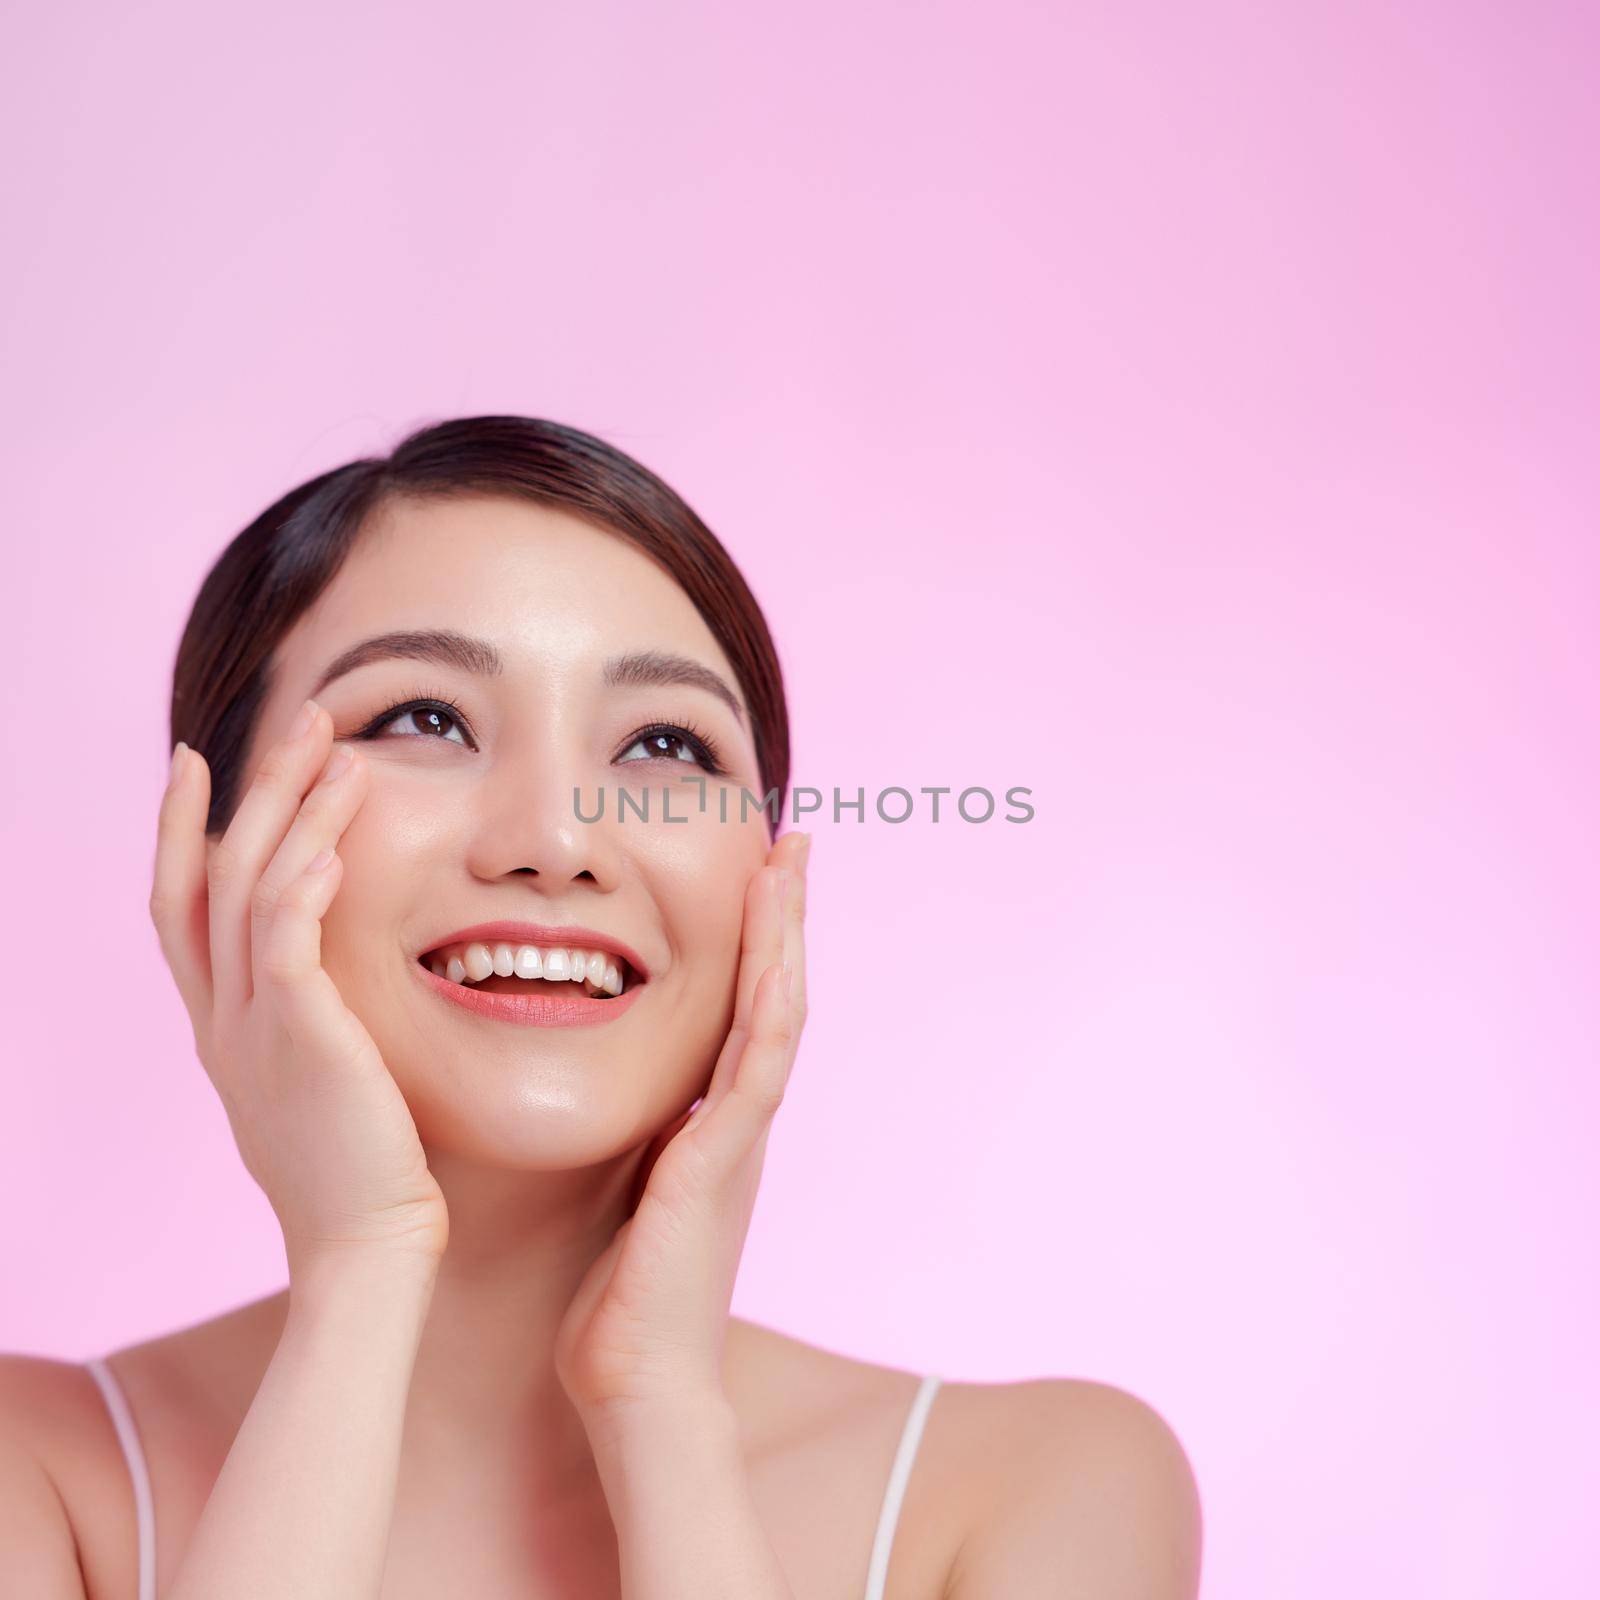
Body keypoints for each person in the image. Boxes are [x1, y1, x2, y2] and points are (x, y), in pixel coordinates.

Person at [0, 416, 1202, 1597]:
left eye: (666, 746)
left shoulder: (1035, 1492)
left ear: (766, 880)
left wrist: (660, 1406)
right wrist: (358, 1279)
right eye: (424, 719)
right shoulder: (38, 1473)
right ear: (216, 851)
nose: (560, 840)